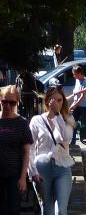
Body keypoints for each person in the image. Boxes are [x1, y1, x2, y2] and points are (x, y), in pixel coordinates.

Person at [29, 86, 74, 215]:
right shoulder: (36, 120)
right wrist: (32, 172)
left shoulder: (67, 120)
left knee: (61, 210)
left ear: (63, 102)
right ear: (47, 101)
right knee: (47, 210)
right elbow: (30, 148)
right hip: (42, 169)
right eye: (53, 100)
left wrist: (58, 115)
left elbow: (65, 137)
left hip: (62, 168)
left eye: (59, 100)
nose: (56, 103)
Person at [0, 85, 32, 215]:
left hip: (14, 174)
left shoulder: (22, 123)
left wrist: (23, 177)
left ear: (17, 102)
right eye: (4, 101)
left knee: (13, 209)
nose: (7, 105)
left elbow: (26, 153)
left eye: (12, 102)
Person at [66, 67, 86, 148]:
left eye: (74, 74)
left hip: (84, 106)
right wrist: (69, 98)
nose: (73, 76)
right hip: (78, 106)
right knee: (73, 123)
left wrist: (74, 105)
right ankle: (73, 141)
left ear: (79, 73)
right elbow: (76, 92)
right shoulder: (77, 80)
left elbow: (82, 96)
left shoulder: (85, 82)